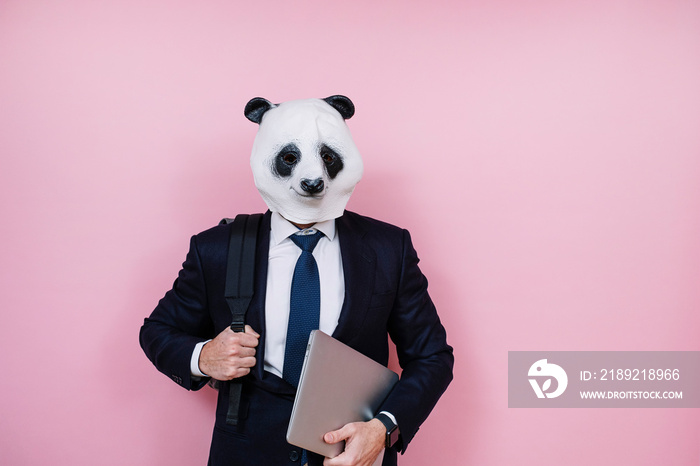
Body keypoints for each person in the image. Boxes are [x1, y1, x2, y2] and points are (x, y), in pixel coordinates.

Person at [140, 95, 453, 466]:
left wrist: (383, 428)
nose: (313, 176)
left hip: (352, 451)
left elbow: (432, 356)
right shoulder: (218, 249)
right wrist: (202, 357)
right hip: (247, 450)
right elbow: (157, 330)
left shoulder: (389, 248)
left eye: (327, 158)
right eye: (290, 158)